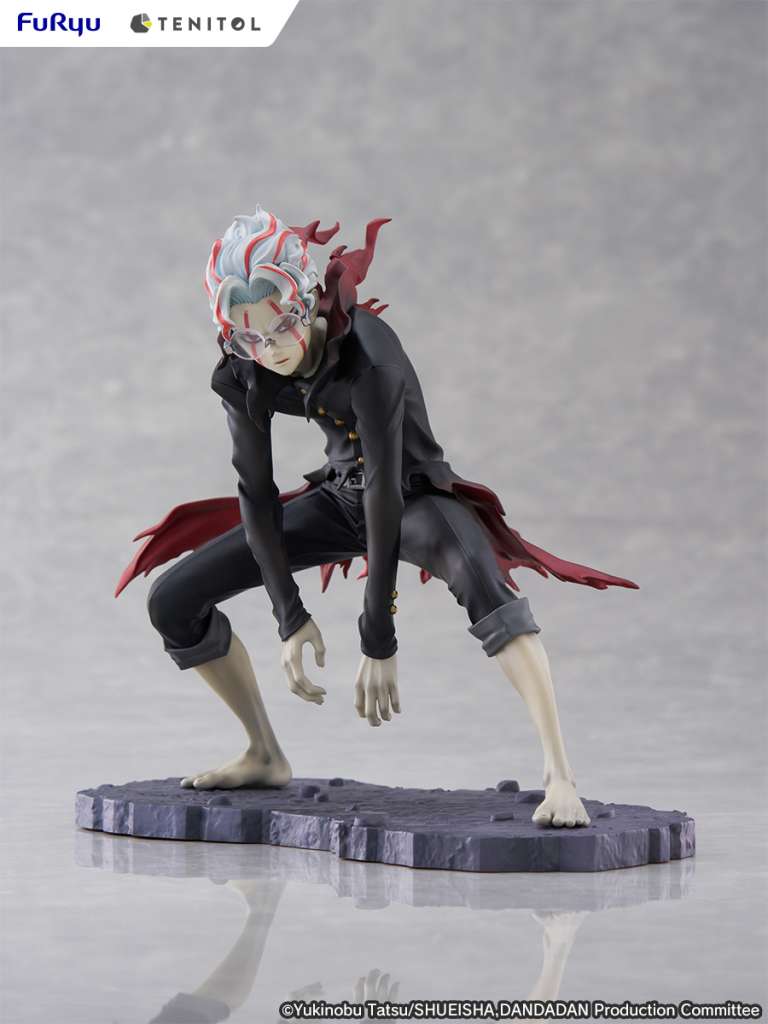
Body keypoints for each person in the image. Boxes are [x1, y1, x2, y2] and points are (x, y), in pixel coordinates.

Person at [116, 207, 638, 828]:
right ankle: (263, 752)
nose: (269, 349)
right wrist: (289, 615)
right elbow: (256, 493)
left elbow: (385, 491)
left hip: (414, 496)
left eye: (280, 326)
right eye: (248, 336)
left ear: (306, 300)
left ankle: (561, 775)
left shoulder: (369, 354)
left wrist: (378, 634)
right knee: (171, 600)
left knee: (486, 587)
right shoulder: (244, 366)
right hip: (336, 496)